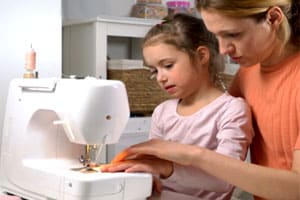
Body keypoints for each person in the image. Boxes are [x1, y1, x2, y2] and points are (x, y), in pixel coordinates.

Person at [103, 1, 300, 200]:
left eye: (233, 34)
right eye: (216, 36)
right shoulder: (248, 73)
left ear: (273, 19)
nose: (222, 50)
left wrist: (185, 157)